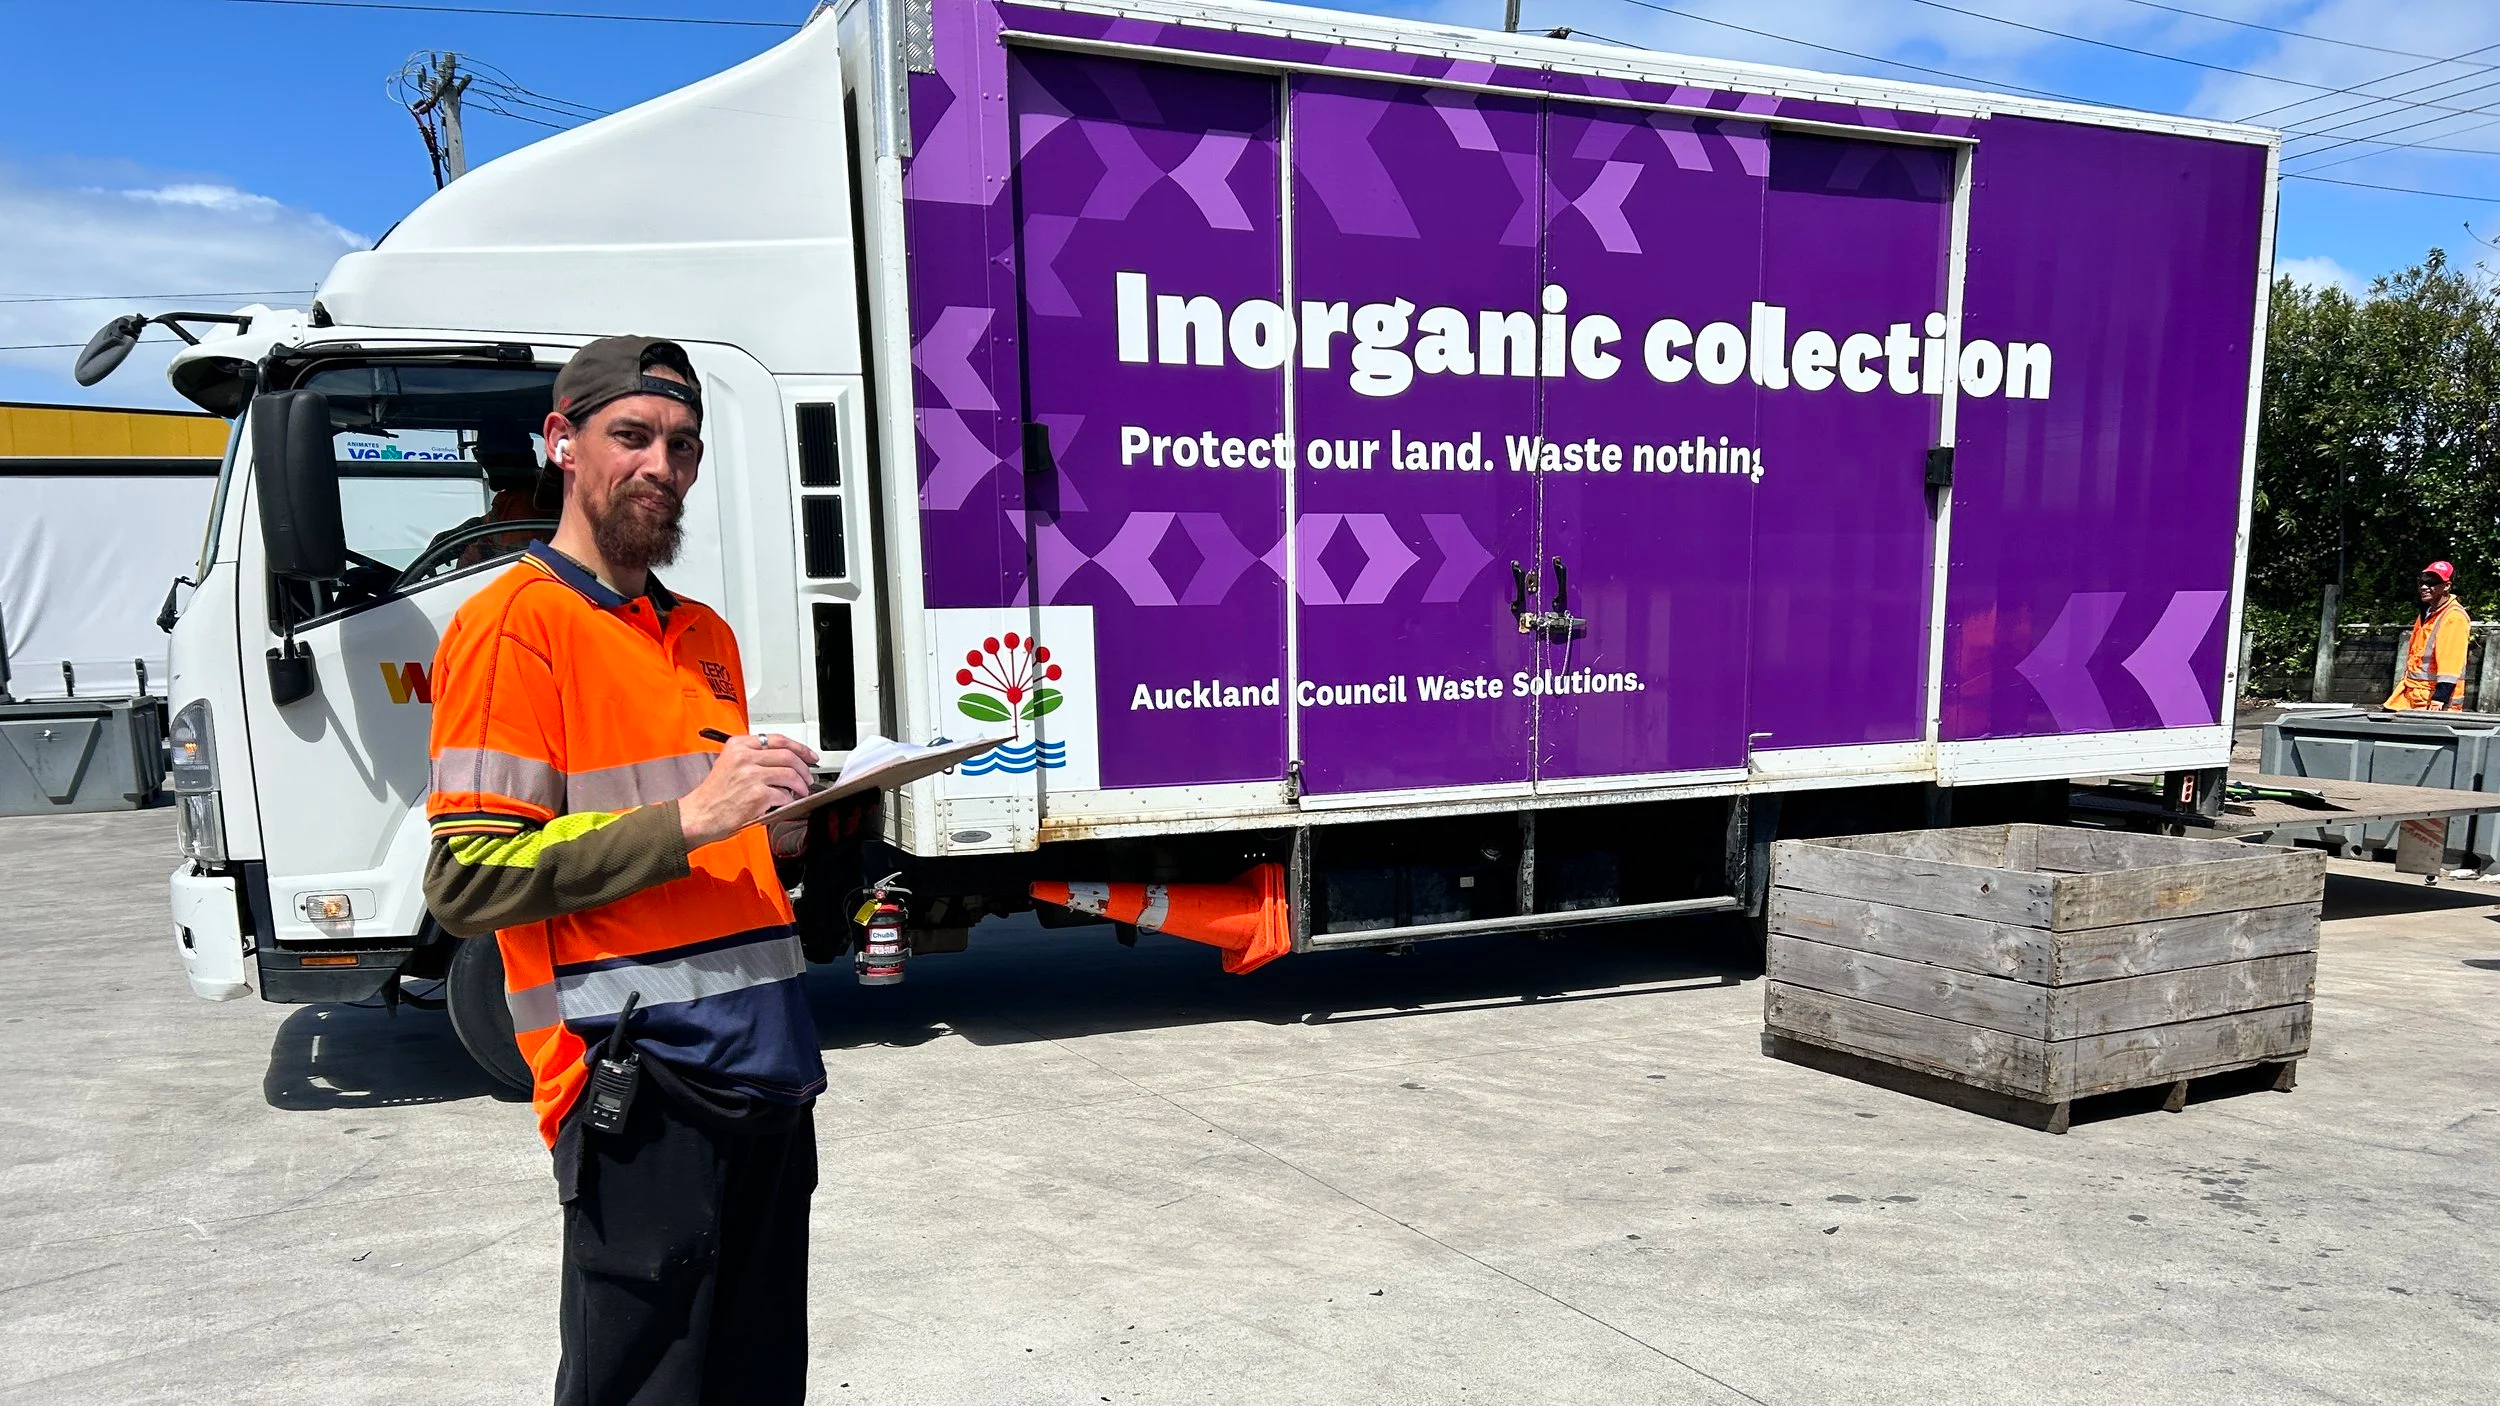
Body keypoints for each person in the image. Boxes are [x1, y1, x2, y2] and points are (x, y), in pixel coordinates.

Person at [422, 336, 861, 1405]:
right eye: (631, 435)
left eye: (682, 444)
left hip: (766, 1068)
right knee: (643, 1385)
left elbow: (701, 835)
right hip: (638, 1082)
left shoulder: (701, 631)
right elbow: (469, 877)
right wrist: (697, 814)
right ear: (562, 443)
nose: (660, 464)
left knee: (758, 1379)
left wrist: (779, 826)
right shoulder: (512, 629)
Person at [2386, 560, 2472, 712]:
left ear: (2447, 586)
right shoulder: (2427, 612)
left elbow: (2451, 662)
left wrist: (2440, 697)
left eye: (2432, 583)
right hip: (2413, 695)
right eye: (2422, 582)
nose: (2424, 587)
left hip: (2433, 701)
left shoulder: (2453, 617)